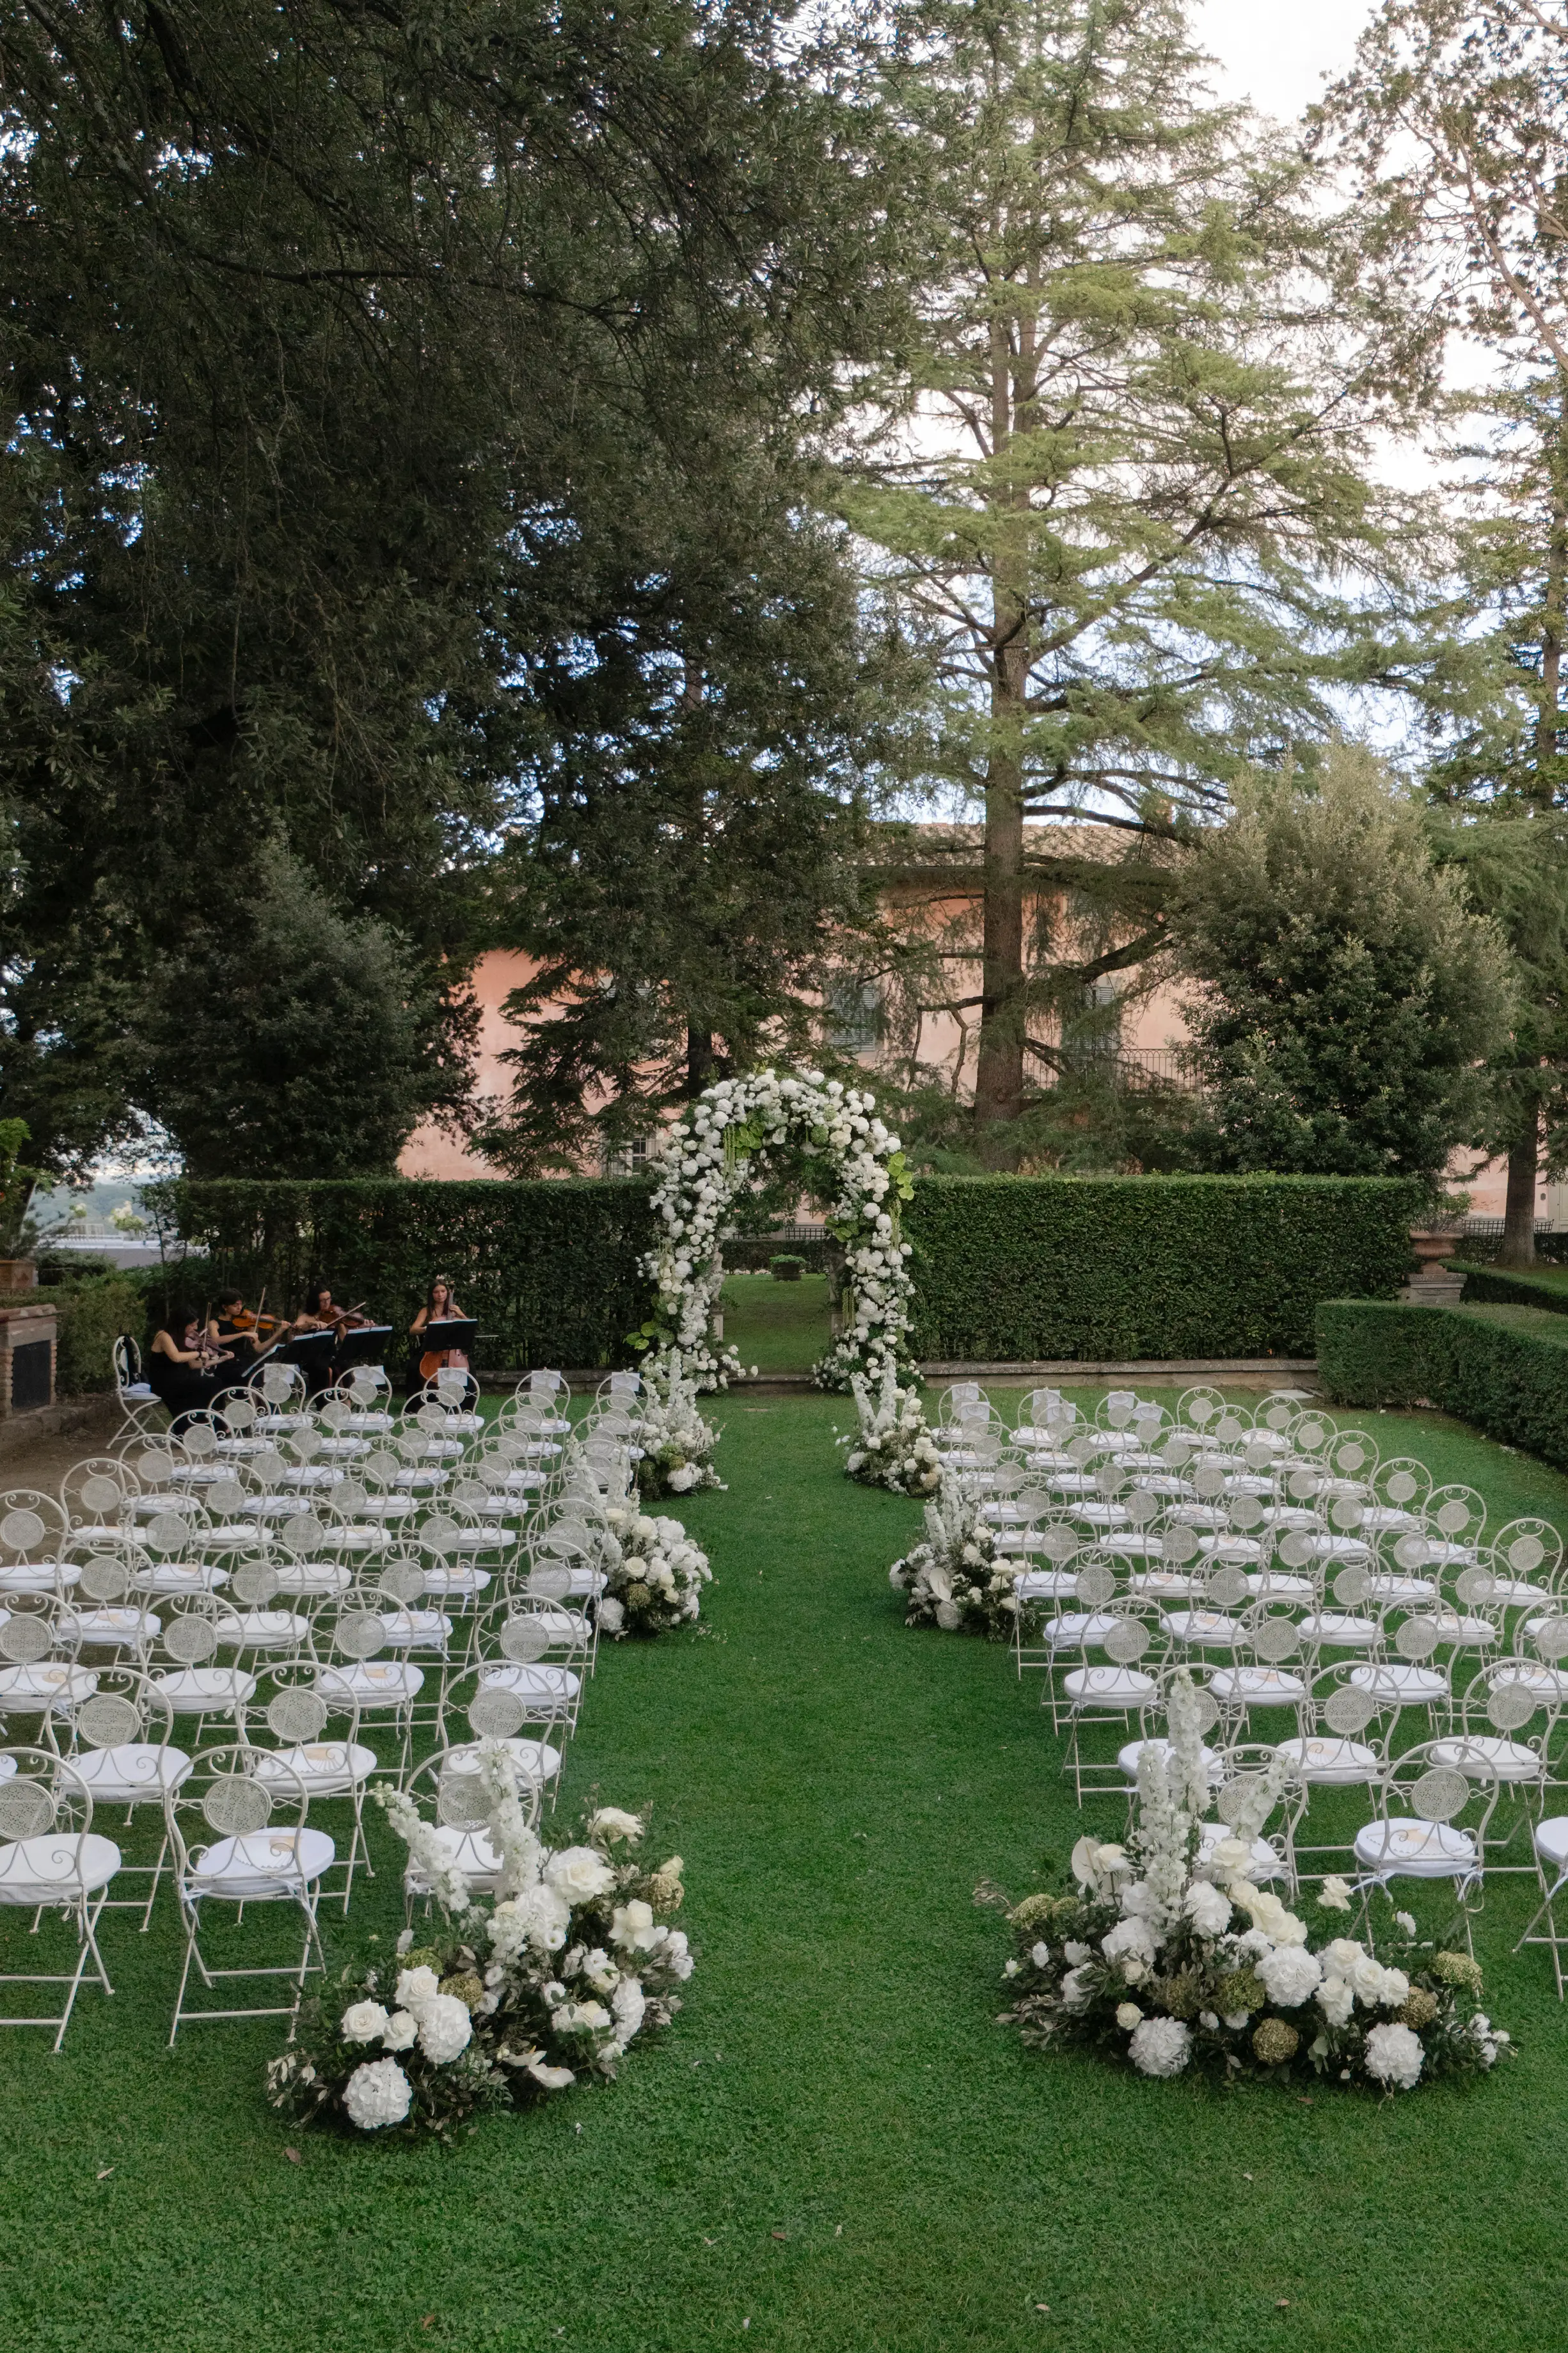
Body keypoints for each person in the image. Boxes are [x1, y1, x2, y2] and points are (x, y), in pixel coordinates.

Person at [145, 1303, 233, 1423]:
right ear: (182, 1324)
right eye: (192, 1325)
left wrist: (220, 1360)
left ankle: (211, 1420)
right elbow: (176, 1357)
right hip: (165, 1383)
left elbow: (193, 1365)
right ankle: (212, 1421)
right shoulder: (163, 1336)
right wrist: (199, 1354)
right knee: (211, 1384)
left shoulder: (185, 1339)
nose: (196, 1328)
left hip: (181, 1380)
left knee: (213, 1382)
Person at [409, 1277, 470, 1392]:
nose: (440, 1295)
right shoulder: (426, 1310)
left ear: (447, 1292)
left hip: (452, 1351)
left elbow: (467, 1327)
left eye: (443, 1291)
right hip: (431, 1350)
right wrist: (427, 1329)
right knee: (413, 1366)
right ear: (432, 1294)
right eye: (436, 1292)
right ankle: (415, 1406)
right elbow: (413, 1330)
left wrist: (461, 1315)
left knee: (470, 1367)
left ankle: (465, 1404)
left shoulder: (454, 1310)